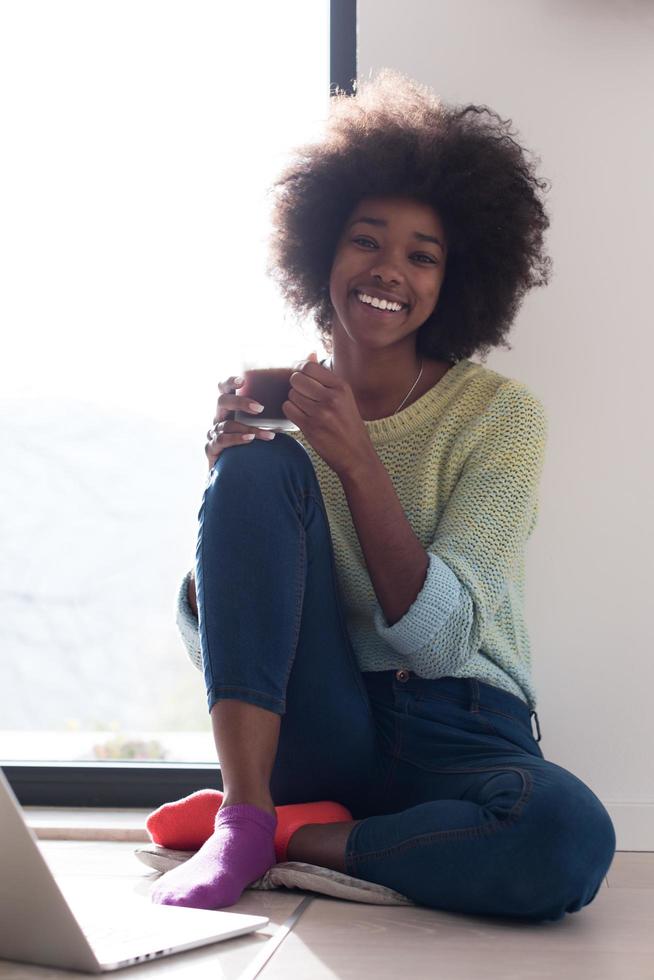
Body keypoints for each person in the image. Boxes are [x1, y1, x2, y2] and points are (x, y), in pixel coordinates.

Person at [150, 69, 616, 921]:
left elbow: (442, 644)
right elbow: (218, 643)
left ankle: (288, 838)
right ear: (322, 248)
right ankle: (247, 810)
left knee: (566, 837)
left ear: (455, 280)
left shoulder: (499, 417)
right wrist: (229, 490)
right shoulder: (286, 422)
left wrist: (359, 461)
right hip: (322, 723)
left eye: (422, 255)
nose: (388, 270)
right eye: (366, 240)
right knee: (258, 473)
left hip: (462, 727)